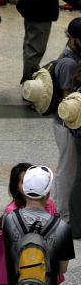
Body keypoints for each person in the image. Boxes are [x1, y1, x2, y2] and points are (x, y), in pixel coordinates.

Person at [51, 19, 81, 223]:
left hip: (70, 122)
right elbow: (68, 99)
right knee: (66, 168)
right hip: (67, 124)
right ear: (72, 37)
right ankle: (61, 212)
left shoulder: (73, 54)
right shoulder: (69, 62)